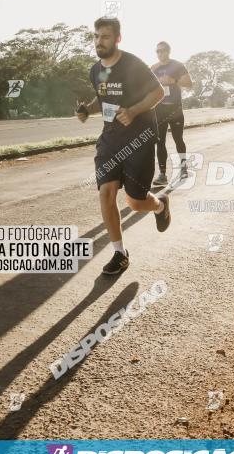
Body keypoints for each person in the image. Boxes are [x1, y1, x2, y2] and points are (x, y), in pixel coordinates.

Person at [76, 18, 169, 276]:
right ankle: (119, 252)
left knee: (136, 202)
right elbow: (102, 97)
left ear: (117, 39)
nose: (99, 41)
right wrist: (87, 109)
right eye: (96, 36)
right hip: (110, 139)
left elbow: (158, 92)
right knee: (106, 192)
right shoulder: (95, 70)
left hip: (139, 137)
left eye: (105, 36)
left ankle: (160, 205)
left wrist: (134, 110)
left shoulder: (132, 64)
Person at [151, 42, 193, 186]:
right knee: (160, 142)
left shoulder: (177, 66)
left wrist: (174, 80)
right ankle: (162, 174)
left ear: (168, 51)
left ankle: (183, 169)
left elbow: (189, 83)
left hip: (175, 109)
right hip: (159, 110)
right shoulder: (154, 68)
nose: (160, 53)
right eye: (157, 51)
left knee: (178, 139)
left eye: (162, 51)